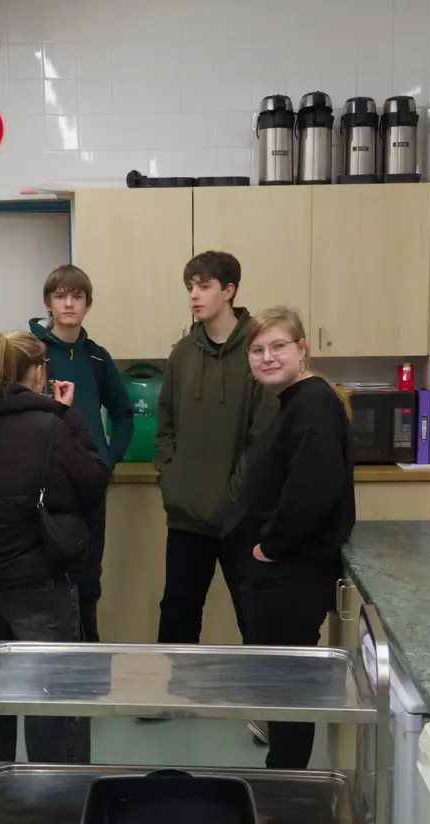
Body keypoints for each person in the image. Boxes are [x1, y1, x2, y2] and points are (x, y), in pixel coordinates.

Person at [0, 330, 109, 822]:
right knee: (50, 691)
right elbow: (91, 480)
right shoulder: (49, 426)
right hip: (37, 578)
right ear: (33, 372)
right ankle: (59, 795)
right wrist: (68, 414)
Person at [225, 307, 355, 771]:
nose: (266, 357)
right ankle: (283, 784)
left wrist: (269, 547)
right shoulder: (295, 403)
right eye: (257, 350)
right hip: (279, 573)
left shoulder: (314, 403)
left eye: (278, 346)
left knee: (289, 689)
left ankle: (286, 792)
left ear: (303, 349)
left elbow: (315, 487)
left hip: (291, 574)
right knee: (281, 689)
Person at [153, 251, 275, 651]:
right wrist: (172, 481)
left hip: (240, 519)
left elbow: (262, 439)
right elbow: (165, 426)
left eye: (203, 286)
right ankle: (170, 703)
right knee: (178, 612)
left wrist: (233, 499)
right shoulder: (182, 354)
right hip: (186, 515)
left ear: (229, 290)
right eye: (190, 287)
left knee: (254, 614)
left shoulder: (259, 352)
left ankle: (264, 705)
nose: (194, 295)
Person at [29, 264, 133, 642]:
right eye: (61, 296)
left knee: (88, 578)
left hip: (89, 484)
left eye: (77, 296)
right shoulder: (31, 353)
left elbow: (123, 416)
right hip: (43, 487)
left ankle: (90, 661)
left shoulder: (97, 358)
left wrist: (108, 460)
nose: (69, 303)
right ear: (48, 302)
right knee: (47, 578)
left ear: (88, 304)